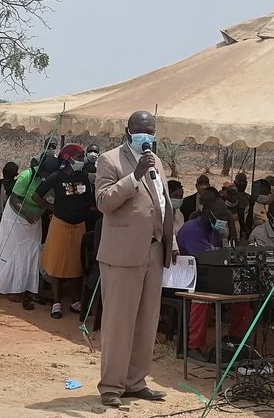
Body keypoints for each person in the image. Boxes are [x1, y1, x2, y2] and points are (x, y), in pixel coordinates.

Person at [93, 110, 176, 408]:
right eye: (141, 130)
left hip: (153, 250)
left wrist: (171, 241)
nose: (146, 135)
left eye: (150, 130)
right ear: (128, 131)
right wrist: (134, 176)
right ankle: (111, 386)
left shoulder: (157, 161)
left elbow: (162, 203)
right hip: (122, 255)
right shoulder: (110, 160)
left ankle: (135, 382)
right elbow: (103, 202)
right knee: (119, 322)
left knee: (146, 321)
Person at [179, 197, 252, 363]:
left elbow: (219, 256)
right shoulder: (192, 230)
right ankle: (193, 346)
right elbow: (205, 258)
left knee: (243, 295)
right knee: (202, 298)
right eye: (220, 218)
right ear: (208, 215)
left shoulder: (214, 231)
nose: (223, 222)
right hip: (190, 276)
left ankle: (234, 339)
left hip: (210, 275)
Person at [34, 145, 95, 319]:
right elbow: (36, 196)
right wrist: (51, 207)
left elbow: (88, 200)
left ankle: (75, 301)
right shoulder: (56, 177)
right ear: (68, 158)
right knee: (58, 264)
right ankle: (56, 303)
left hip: (79, 225)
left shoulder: (83, 177)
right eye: (79, 156)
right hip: (60, 225)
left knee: (77, 263)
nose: (82, 160)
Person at [0, 153, 51, 309]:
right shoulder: (26, 176)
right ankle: (12, 288)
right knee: (15, 252)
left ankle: (28, 287)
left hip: (34, 219)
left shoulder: (51, 178)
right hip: (16, 217)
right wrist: (27, 214)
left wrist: (40, 211)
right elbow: (14, 199)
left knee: (32, 251)